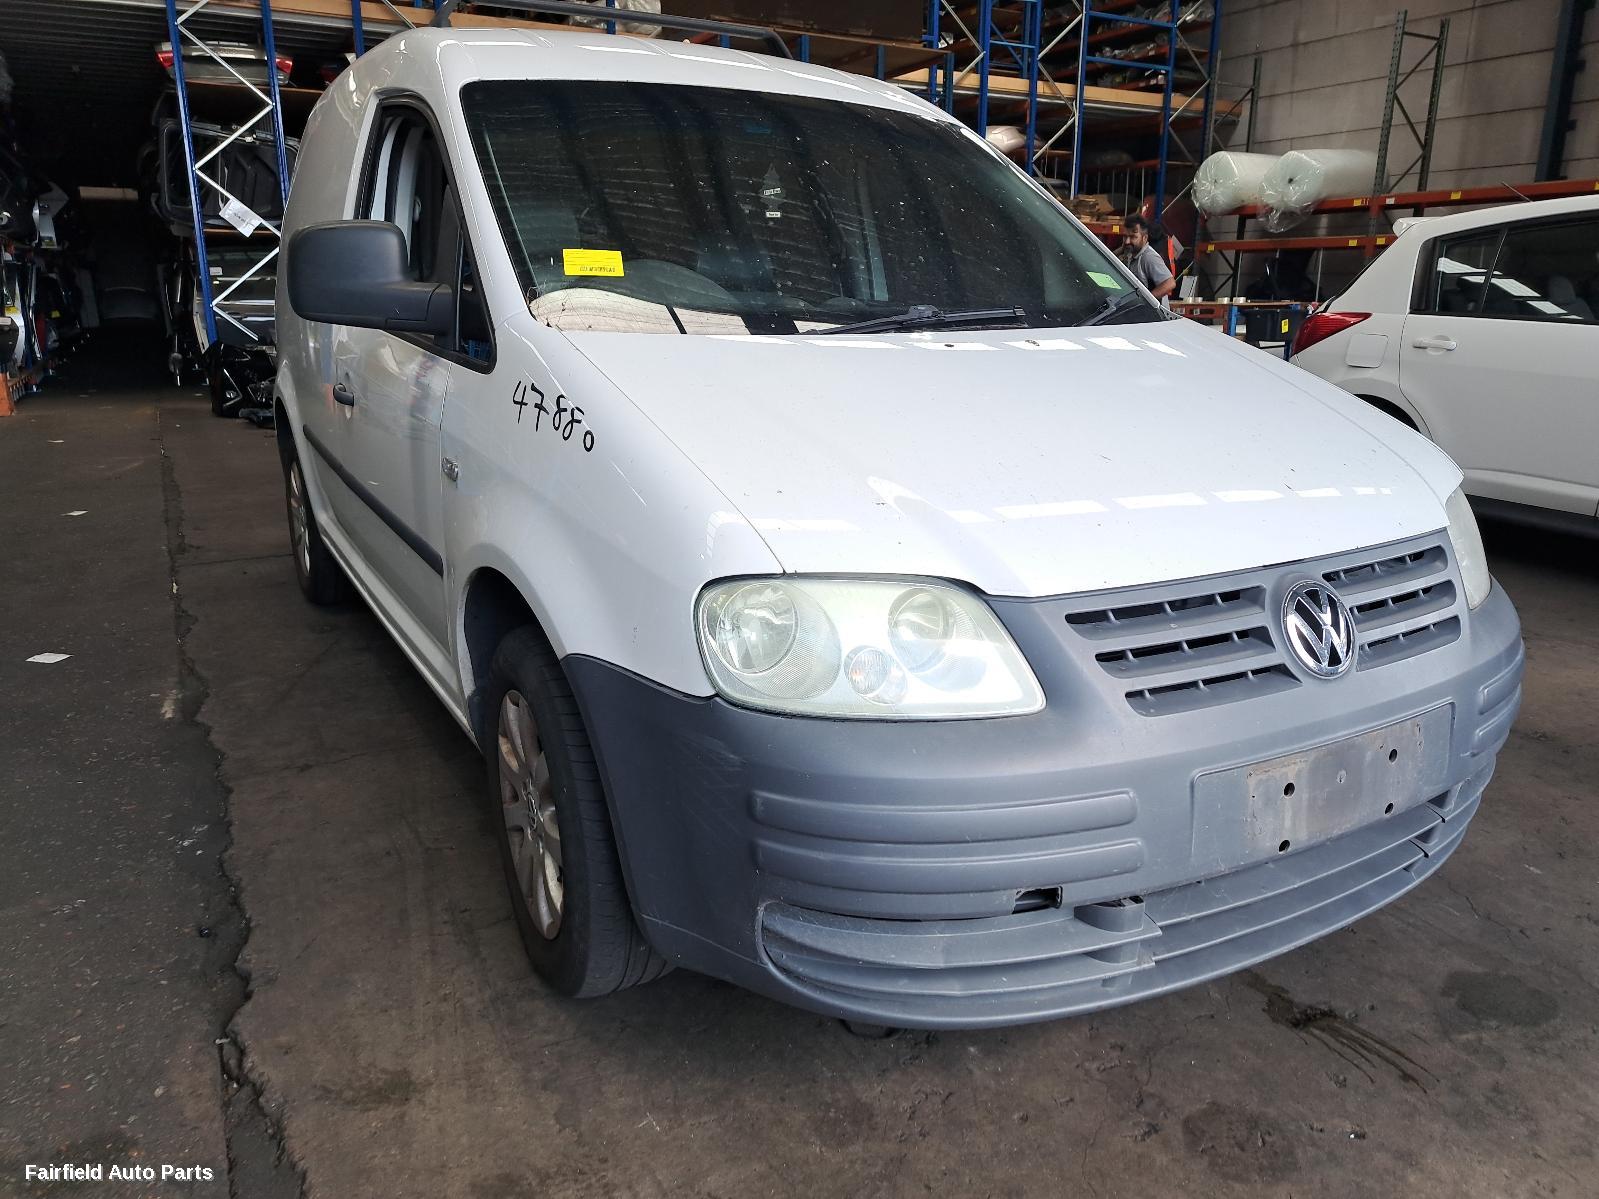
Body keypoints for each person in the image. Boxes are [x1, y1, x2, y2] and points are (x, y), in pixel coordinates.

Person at [1120, 214, 1176, 305]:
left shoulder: (1148, 257)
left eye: (1133, 237)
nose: (1127, 241)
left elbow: (1169, 283)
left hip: (1153, 316)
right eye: (1125, 236)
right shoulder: (1131, 255)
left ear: (1145, 238)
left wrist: (1144, 302)